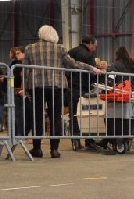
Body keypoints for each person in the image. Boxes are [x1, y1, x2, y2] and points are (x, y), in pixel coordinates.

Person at [22, 25, 102, 159]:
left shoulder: (30, 48)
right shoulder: (60, 48)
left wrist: (25, 88)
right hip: (57, 86)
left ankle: (37, 148)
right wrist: (92, 68)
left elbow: (25, 70)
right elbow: (73, 64)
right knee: (55, 117)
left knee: (37, 116)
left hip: (37, 86)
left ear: (40, 34)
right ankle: (54, 149)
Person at [67, 35, 98, 150]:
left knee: (73, 114)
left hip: (70, 87)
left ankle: (75, 141)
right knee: (87, 114)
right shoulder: (89, 55)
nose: (95, 48)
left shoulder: (70, 52)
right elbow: (92, 73)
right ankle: (89, 140)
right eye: (94, 45)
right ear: (90, 43)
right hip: (84, 88)